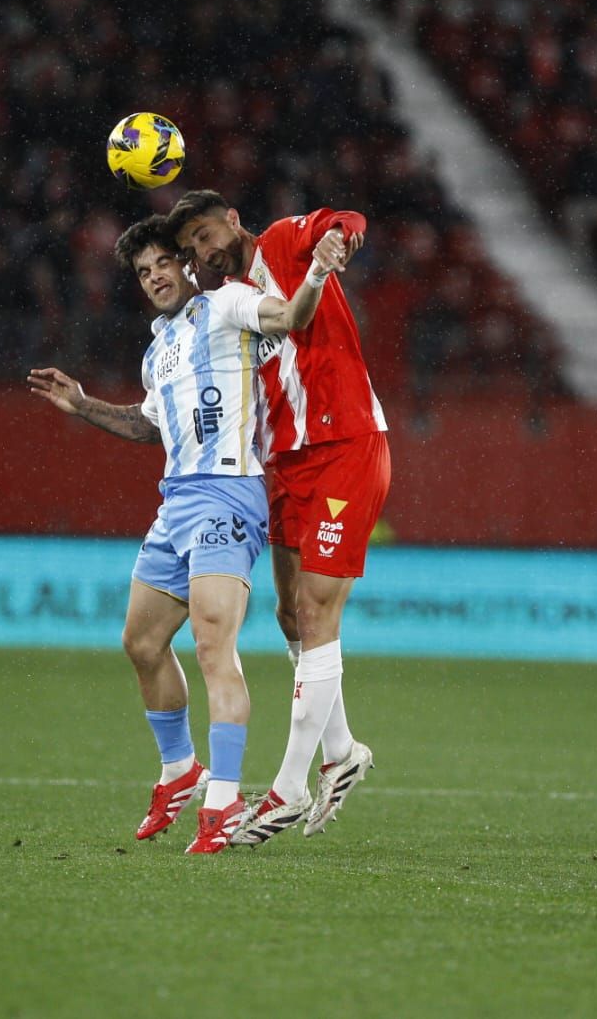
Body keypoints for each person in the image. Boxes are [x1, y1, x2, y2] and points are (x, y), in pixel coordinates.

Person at [28, 214, 344, 853]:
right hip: (176, 502)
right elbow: (152, 428)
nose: (153, 279)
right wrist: (83, 404)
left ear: (186, 263)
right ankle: (181, 770)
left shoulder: (226, 304)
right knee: (141, 642)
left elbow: (289, 320)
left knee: (210, 648)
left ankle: (224, 801)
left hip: (228, 491)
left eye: (162, 264)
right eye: (143, 273)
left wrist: (315, 272)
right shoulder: (156, 350)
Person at [168, 189, 390, 846]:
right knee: (291, 615)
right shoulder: (228, 303)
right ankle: (343, 749)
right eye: (192, 249)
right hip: (287, 466)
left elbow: (344, 219)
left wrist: (337, 242)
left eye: (209, 234)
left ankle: (288, 792)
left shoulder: (285, 243)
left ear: (234, 220)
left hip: (345, 446)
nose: (204, 251)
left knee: (320, 614)